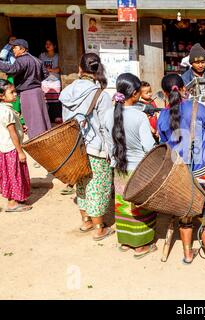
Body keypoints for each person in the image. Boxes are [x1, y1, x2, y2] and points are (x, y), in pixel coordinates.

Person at [157, 74, 205, 273]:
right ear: (184, 89)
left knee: (185, 216)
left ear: (164, 93)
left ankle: (188, 254)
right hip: (203, 172)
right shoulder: (199, 108)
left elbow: (164, 145)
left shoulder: (162, 116)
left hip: (178, 174)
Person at [59, 53, 114, 241]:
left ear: (80, 68)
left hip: (75, 146)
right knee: (98, 186)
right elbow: (107, 127)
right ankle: (100, 228)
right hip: (96, 147)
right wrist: (111, 151)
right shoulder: (101, 95)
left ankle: (86, 221)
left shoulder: (68, 92)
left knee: (81, 183)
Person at [104, 73, 158, 258]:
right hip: (138, 170)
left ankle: (126, 241)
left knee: (122, 205)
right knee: (138, 207)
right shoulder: (139, 117)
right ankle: (141, 246)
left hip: (119, 168)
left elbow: (109, 145)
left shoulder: (107, 114)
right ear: (135, 93)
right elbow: (149, 147)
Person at [0, 39, 51, 140]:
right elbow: (46, 74)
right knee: (42, 119)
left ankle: (38, 144)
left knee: (33, 121)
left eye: (15, 47)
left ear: (22, 49)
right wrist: (34, 80)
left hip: (28, 93)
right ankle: (46, 141)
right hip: (38, 91)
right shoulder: (37, 60)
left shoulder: (22, 59)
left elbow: (11, 69)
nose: (13, 50)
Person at [0, 79, 31, 212]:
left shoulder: (4, 109)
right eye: (11, 92)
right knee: (14, 175)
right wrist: (20, 152)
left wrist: (21, 128)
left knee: (10, 174)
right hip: (12, 148)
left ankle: (17, 198)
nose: (15, 94)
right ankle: (13, 203)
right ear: (1, 96)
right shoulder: (7, 112)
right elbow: (12, 133)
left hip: (5, 148)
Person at [0, 35, 23, 125]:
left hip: (21, 76)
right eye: (11, 40)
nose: (14, 41)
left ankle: (22, 119)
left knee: (21, 95)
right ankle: (14, 116)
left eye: (15, 40)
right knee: (13, 95)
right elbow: (1, 56)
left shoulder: (20, 51)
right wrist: (9, 45)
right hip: (12, 76)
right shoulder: (8, 52)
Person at [39, 39, 63, 124]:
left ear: (55, 46)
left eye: (50, 44)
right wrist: (49, 70)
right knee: (46, 100)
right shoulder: (42, 56)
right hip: (45, 81)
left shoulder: (58, 56)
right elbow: (40, 68)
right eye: (46, 43)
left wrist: (49, 70)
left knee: (56, 99)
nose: (47, 45)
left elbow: (59, 69)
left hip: (55, 81)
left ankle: (57, 117)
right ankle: (47, 117)